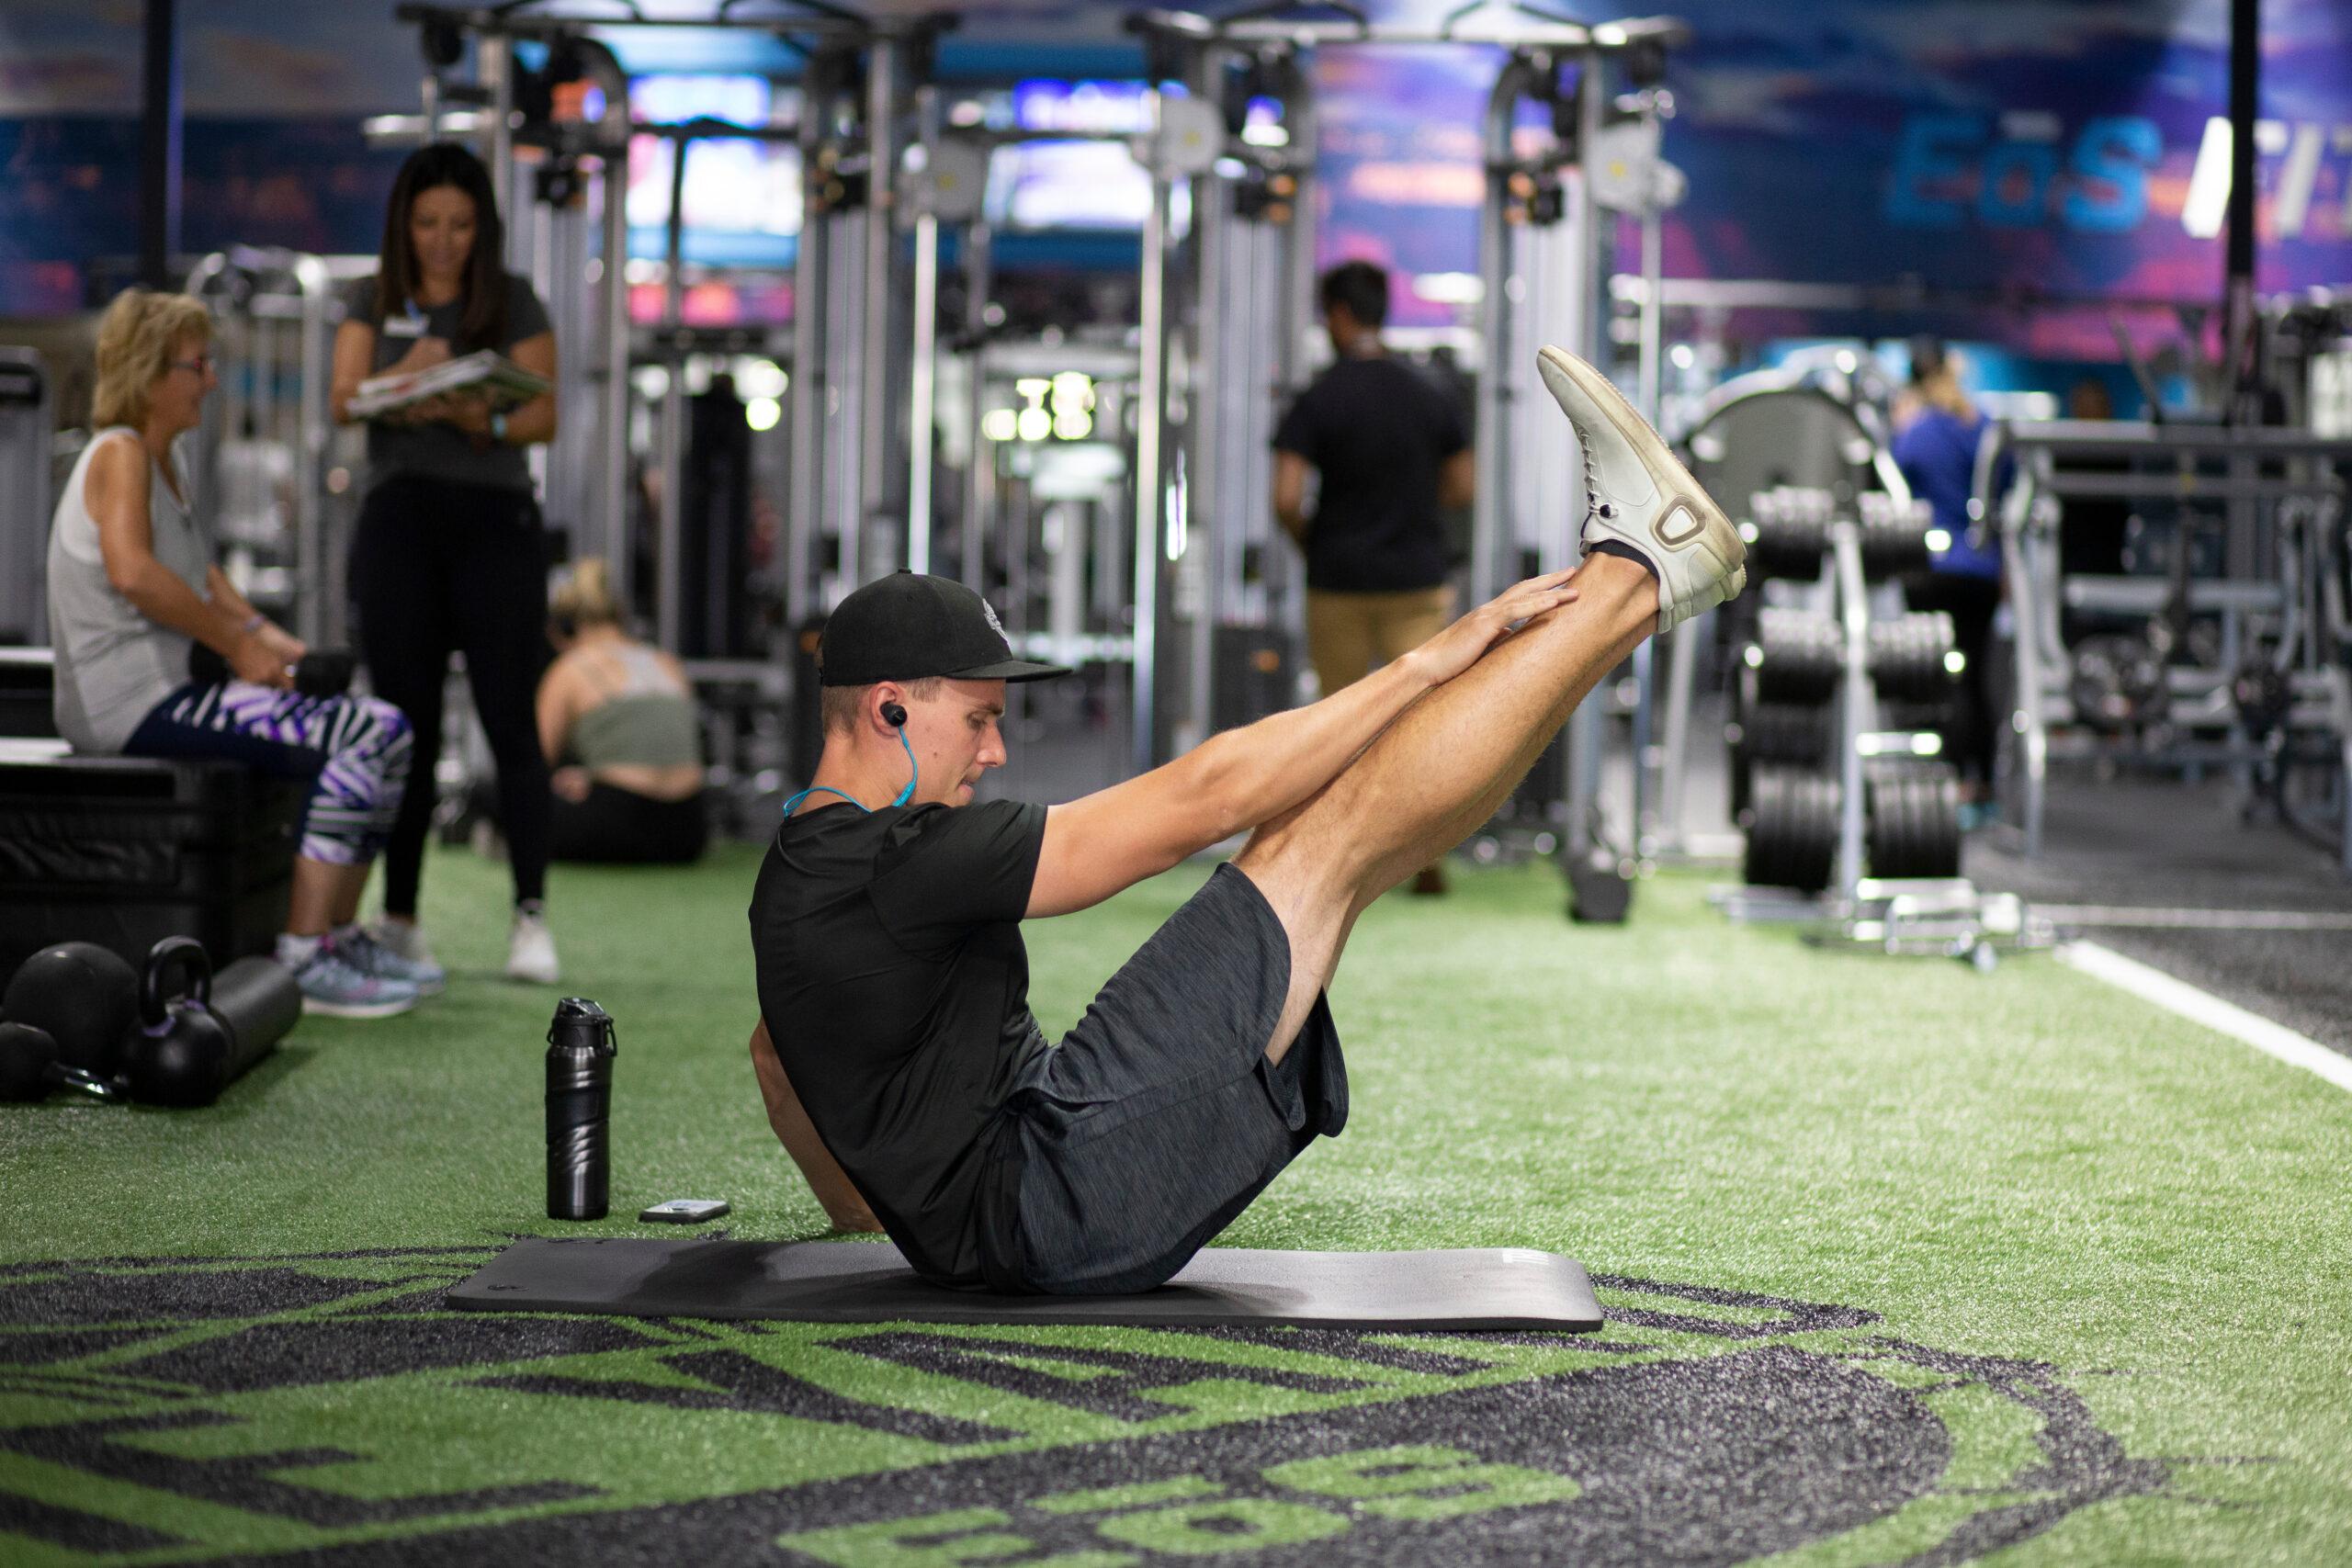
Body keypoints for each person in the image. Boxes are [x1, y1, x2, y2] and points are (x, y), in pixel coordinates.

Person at [747, 347, 1745, 1293]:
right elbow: (1206, 801)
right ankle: (1636, 573)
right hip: (1057, 1189)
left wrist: (881, 1237)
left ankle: (1633, 594)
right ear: (887, 708)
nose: (994, 753)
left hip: (1042, 1196)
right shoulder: (893, 861)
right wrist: (1429, 662)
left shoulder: (804, 867)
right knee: (1323, 837)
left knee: (1345, 853)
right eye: (977, 722)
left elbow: (773, 1055)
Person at [46, 288, 428, 1017]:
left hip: (169, 695)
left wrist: (281, 648)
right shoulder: (120, 451)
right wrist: (240, 650)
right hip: (129, 706)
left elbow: (205, 579)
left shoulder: (165, 462)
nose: (211, 379)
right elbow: (134, 573)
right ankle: (307, 956)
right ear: (153, 373)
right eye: (199, 365)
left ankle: (341, 937)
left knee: (390, 732)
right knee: (364, 733)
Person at [331, 142, 562, 986]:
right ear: (404, 224)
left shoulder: (515, 300)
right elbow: (344, 396)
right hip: (400, 523)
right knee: (406, 727)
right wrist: (412, 370)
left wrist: (480, 416)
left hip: (496, 525)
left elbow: (543, 415)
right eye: (428, 222)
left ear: (482, 229)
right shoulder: (373, 297)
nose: (442, 239)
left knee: (512, 723)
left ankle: (530, 916)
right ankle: (398, 920)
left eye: (460, 224)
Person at [1272, 259, 1476, 895]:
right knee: (1422, 724)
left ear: (1335, 314)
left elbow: (1285, 497)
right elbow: (1463, 486)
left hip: (1338, 580)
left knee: (1336, 728)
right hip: (1415, 578)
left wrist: (1316, 540)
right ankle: (1429, 858)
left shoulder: (1319, 396)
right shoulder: (1430, 391)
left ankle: (1337, 862)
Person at [1890, 339, 2005, 812]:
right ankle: (1983, 784)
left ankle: (1948, 780)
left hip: (1932, 569)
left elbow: (1893, 488)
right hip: (1982, 568)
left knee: (1940, 675)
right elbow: (2006, 491)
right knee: (1975, 675)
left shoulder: (1916, 431)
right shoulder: (1984, 429)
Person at [535, 558, 708, 865]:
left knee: (495, 793)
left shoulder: (569, 669)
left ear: (562, 626)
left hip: (613, 828)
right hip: (688, 830)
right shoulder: (666, 662)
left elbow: (534, 765)